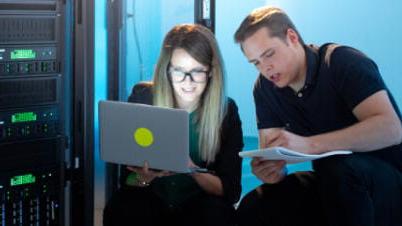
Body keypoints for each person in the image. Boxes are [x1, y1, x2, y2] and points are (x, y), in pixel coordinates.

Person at [234, 6, 402, 226]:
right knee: (256, 203)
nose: (265, 68)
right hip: (332, 185)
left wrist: (310, 145)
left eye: (269, 54)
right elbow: (273, 154)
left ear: (291, 37)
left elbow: (392, 129)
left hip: (387, 185)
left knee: (341, 171)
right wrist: (271, 170)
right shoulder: (265, 89)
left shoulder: (342, 61)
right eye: (255, 63)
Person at [103, 24, 244, 226]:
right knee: (124, 209)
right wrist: (145, 178)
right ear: (166, 70)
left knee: (217, 215)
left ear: (211, 71)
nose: (187, 82)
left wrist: (191, 169)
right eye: (179, 71)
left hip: (198, 205)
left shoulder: (226, 111)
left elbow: (230, 191)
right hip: (151, 199)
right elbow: (126, 181)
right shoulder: (144, 98)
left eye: (197, 72)